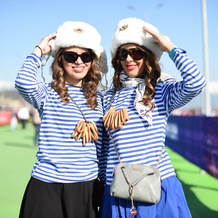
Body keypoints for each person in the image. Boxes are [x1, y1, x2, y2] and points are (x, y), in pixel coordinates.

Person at [100, 17, 206, 218]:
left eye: (136, 52)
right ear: (118, 59)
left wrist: (170, 48)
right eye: (124, 53)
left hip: (158, 184)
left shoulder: (161, 90)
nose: (129, 59)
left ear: (148, 56)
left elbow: (196, 83)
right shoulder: (108, 97)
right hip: (118, 188)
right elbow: (104, 146)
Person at [15, 20, 107, 218]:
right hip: (47, 183)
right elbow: (23, 82)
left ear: (93, 61)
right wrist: (41, 50)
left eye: (86, 56)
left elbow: (103, 146)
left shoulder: (101, 98)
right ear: (60, 60)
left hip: (86, 186)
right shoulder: (46, 93)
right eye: (71, 56)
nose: (79, 62)